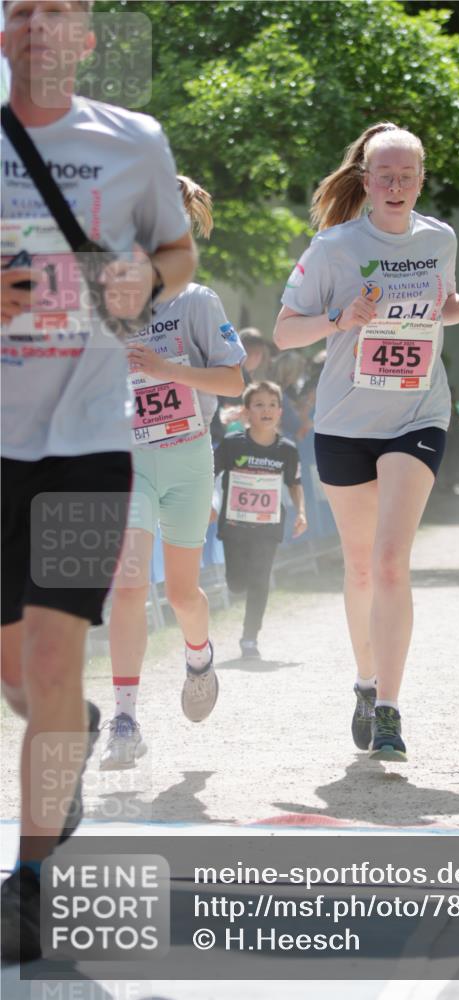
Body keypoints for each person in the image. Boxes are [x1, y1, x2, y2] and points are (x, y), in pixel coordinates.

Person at [0, 0, 196, 962]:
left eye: (60, 14)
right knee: (21, 684)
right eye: (22, 11)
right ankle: (68, 733)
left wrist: (140, 284)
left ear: (86, 38)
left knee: (46, 663)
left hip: (86, 442)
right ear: (3, 34)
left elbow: (179, 250)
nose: (40, 27)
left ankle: (31, 884)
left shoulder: (134, 141)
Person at [273, 122, 459, 761]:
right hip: (344, 421)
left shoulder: (439, 237)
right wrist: (341, 319)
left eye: (407, 175)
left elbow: (439, 307)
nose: (396, 185)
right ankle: (365, 684)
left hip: (417, 413)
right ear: (366, 180)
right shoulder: (333, 246)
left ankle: (391, 710)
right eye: (384, 175)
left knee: (392, 559)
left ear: (421, 179)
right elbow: (285, 333)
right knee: (362, 565)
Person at [99, 176, 245, 769]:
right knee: (130, 586)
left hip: (187, 453)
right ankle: (126, 719)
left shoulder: (198, 303)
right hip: (129, 459)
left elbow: (235, 382)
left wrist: (164, 367)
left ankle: (199, 656)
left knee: (183, 593)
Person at [214, 380, 307, 659]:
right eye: (259, 405)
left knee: (260, 579)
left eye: (272, 405)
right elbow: (209, 473)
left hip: (268, 527)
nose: (266, 410)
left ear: (280, 411)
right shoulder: (232, 445)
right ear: (246, 411)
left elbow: (295, 482)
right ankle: (240, 593)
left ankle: (249, 638)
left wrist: (301, 512)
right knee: (237, 583)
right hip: (234, 526)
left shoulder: (287, 449)